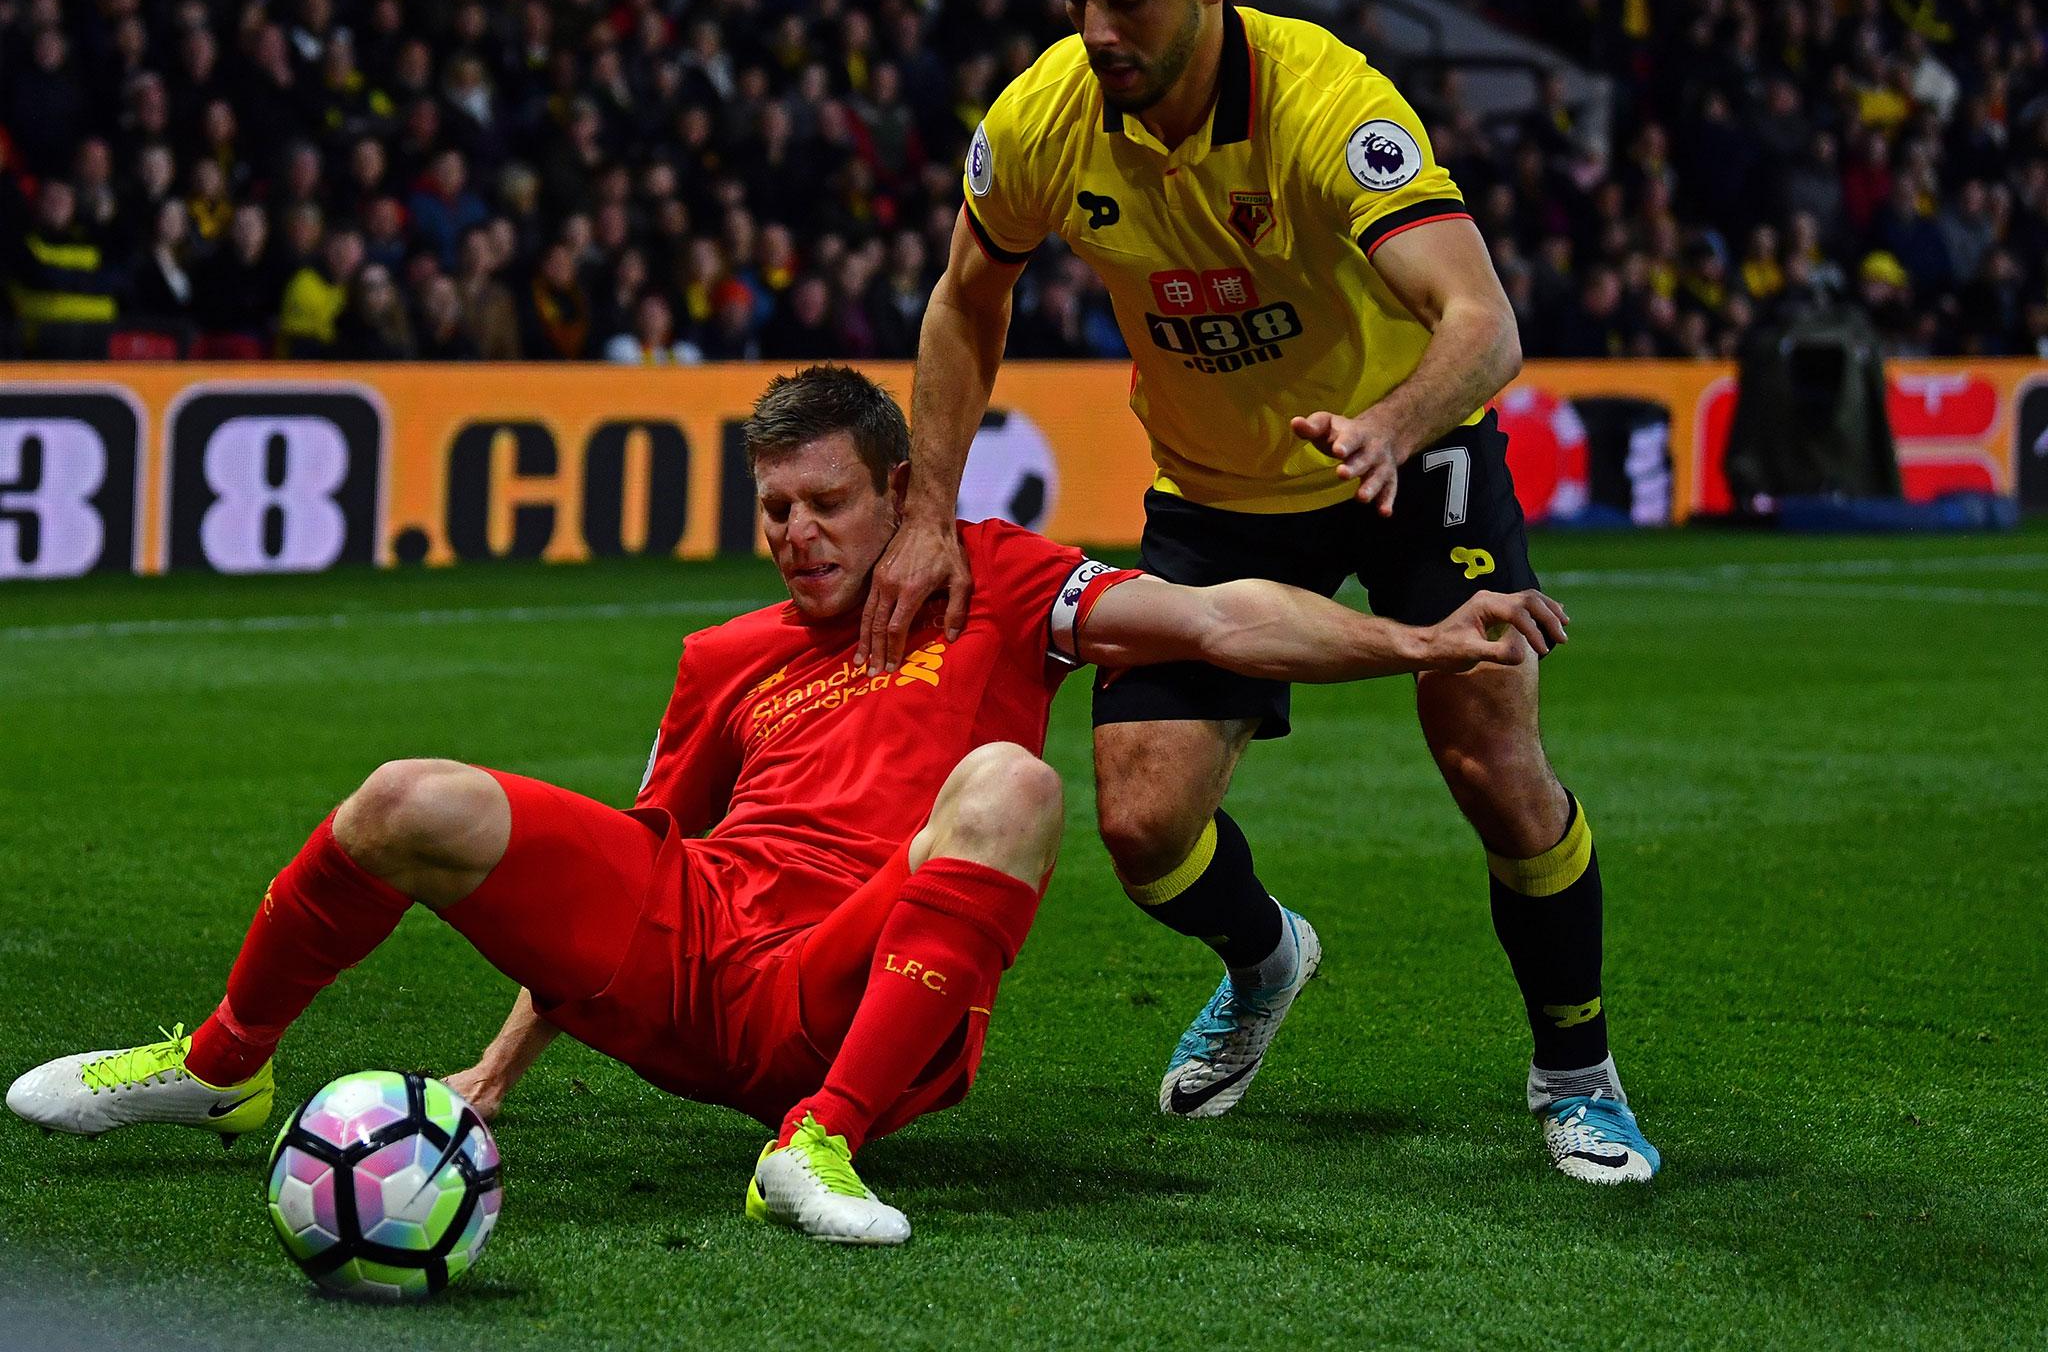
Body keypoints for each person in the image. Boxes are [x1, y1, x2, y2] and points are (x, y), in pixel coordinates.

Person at [7, 366, 1567, 1243]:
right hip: (694, 959)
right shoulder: (724, 656)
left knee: (1012, 780)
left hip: (852, 983)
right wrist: (492, 1077)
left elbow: (1219, 619)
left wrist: (1423, 638)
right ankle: (220, 1065)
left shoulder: (1001, 579)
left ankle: (819, 1146)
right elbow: (637, 865)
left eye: (827, 503)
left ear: (901, 494)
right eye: (774, 508)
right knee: (408, 797)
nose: (798, 534)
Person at [862, 0, 1659, 1183]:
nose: (1096, 31)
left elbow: (1483, 321)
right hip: (1219, 489)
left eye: (1127, 0)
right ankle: (1265, 956)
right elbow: (964, 299)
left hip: (1411, 462)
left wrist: (1390, 425)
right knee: (1141, 825)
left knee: (1491, 763)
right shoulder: (1044, 119)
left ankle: (1578, 1075)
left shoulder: (1327, 103)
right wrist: (928, 512)